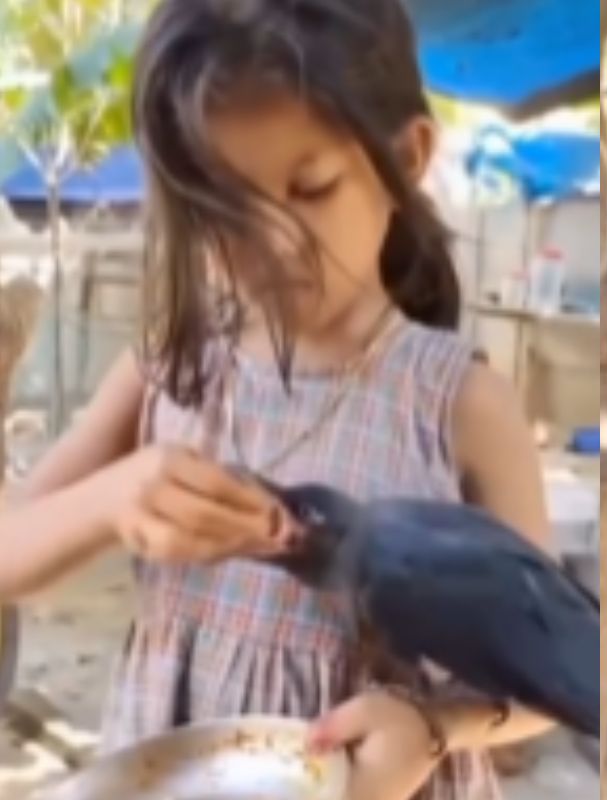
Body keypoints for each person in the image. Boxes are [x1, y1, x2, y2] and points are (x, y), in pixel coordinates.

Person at [0, 1, 555, 798]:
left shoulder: (462, 402)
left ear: (407, 157)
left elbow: (549, 675)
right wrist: (111, 499)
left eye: (311, 189)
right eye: (220, 210)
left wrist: (438, 727)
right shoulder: (171, 367)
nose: (272, 248)